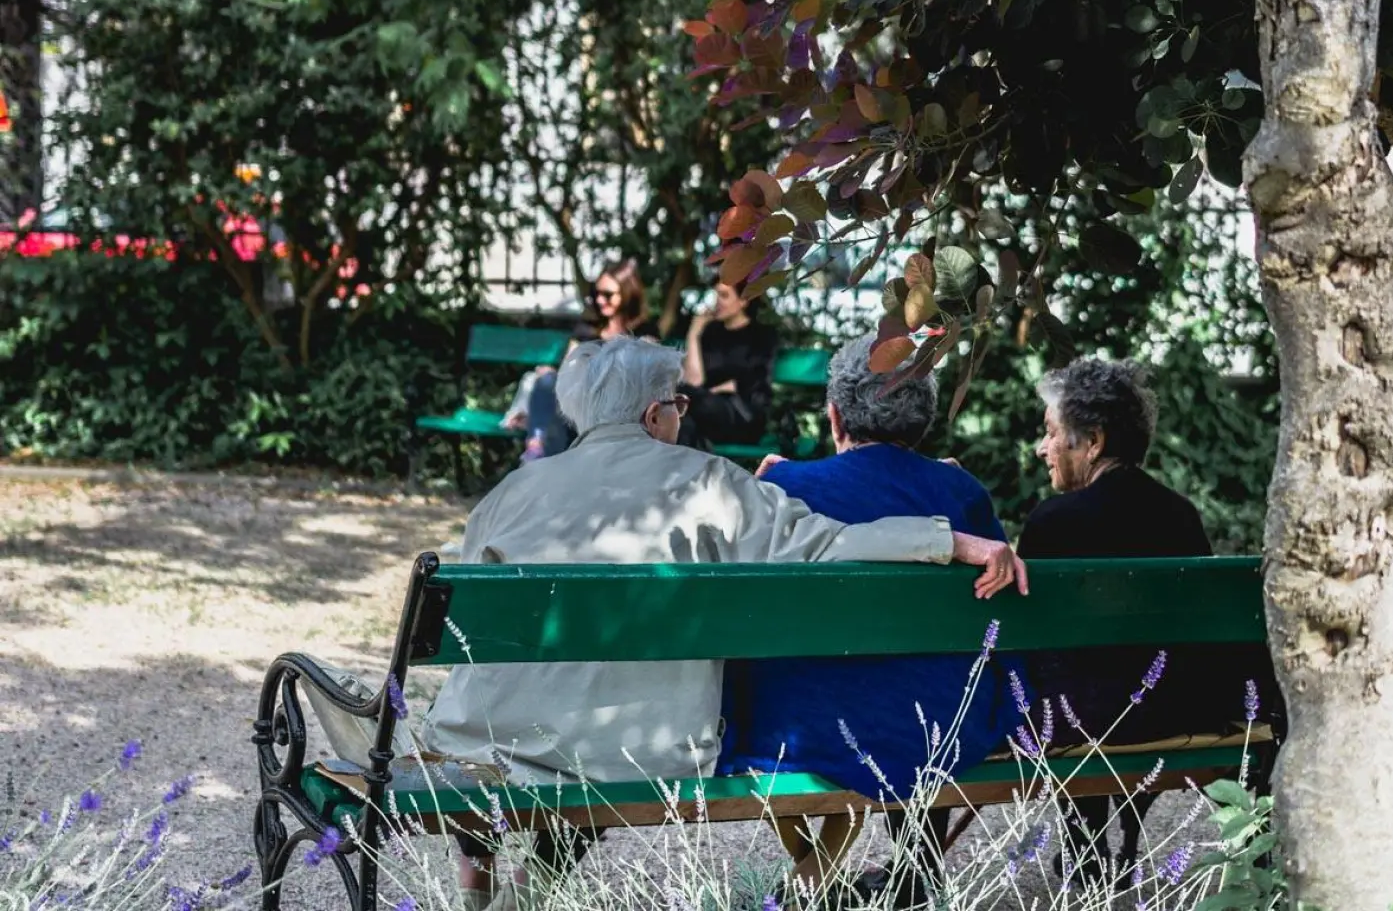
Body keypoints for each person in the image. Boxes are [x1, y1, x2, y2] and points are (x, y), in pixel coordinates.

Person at [319, 336, 1028, 911]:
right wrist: (949, 540)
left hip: (500, 741)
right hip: (654, 749)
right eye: (679, 405)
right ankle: (512, 890)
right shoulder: (711, 482)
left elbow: (473, 635)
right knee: (585, 723)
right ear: (657, 414)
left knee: (490, 718)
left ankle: (481, 882)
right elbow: (826, 545)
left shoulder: (513, 491)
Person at [718, 337, 1025, 890]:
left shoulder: (787, 486)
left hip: (799, 728)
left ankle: (812, 873)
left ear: (835, 416)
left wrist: (768, 486)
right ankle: (894, 872)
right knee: (931, 681)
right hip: (934, 727)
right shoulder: (960, 492)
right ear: (923, 421)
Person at [1017, 357, 1283, 880]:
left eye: (1051, 433)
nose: (1041, 448)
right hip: (1178, 711)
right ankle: (1114, 837)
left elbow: (1027, 642)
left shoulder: (1051, 522)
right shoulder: (1179, 514)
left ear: (1093, 441)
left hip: (1080, 721)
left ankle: (1085, 840)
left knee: (1073, 683)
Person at [504, 257, 656, 460]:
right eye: (597, 293)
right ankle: (535, 447)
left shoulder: (644, 332)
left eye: (608, 295)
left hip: (613, 408)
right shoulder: (588, 327)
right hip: (577, 399)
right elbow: (568, 369)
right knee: (547, 382)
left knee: (560, 417)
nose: (600, 300)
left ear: (628, 294)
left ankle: (541, 463)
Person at [677, 279, 778, 448]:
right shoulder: (710, 333)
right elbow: (694, 381)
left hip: (742, 414)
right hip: (704, 409)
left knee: (686, 407)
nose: (717, 301)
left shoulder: (762, 335)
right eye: (716, 295)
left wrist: (710, 391)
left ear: (743, 300)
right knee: (684, 422)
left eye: (724, 295)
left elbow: (752, 381)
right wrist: (694, 335)